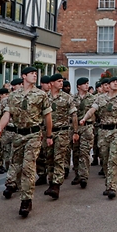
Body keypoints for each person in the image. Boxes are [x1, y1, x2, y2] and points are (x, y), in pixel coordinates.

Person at [0, 66, 52, 218]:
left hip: (34, 134)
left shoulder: (41, 95)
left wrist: (49, 135)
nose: (35, 76)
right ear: (23, 76)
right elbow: (7, 113)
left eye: (36, 74)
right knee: (15, 164)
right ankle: (15, 187)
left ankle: (26, 200)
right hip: (18, 135)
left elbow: (47, 116)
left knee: (28, 167)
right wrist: (0, 128)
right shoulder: (14, 96)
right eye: (31, 74)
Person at [42, 72, 76, 200]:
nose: (61, 83)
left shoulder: (67, 98)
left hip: (62, 131)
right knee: (49, 158)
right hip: (47, 132)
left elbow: (73, 115)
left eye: (62, 81)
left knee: (59, 158)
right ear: (51, 83)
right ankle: (51, 183)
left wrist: (76, 131)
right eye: (58, 81)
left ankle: (56, 185)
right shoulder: (44, 98)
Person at [71, 77, 96, 187]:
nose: (87, 85)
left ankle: (83, 176)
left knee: (85, 151)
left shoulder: (92, 98)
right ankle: (77, 173)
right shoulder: (72, 99)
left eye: (87, 83)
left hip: (87, 127)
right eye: (84, 84)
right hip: (75, 128)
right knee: (76, 152)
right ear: (78, 86)